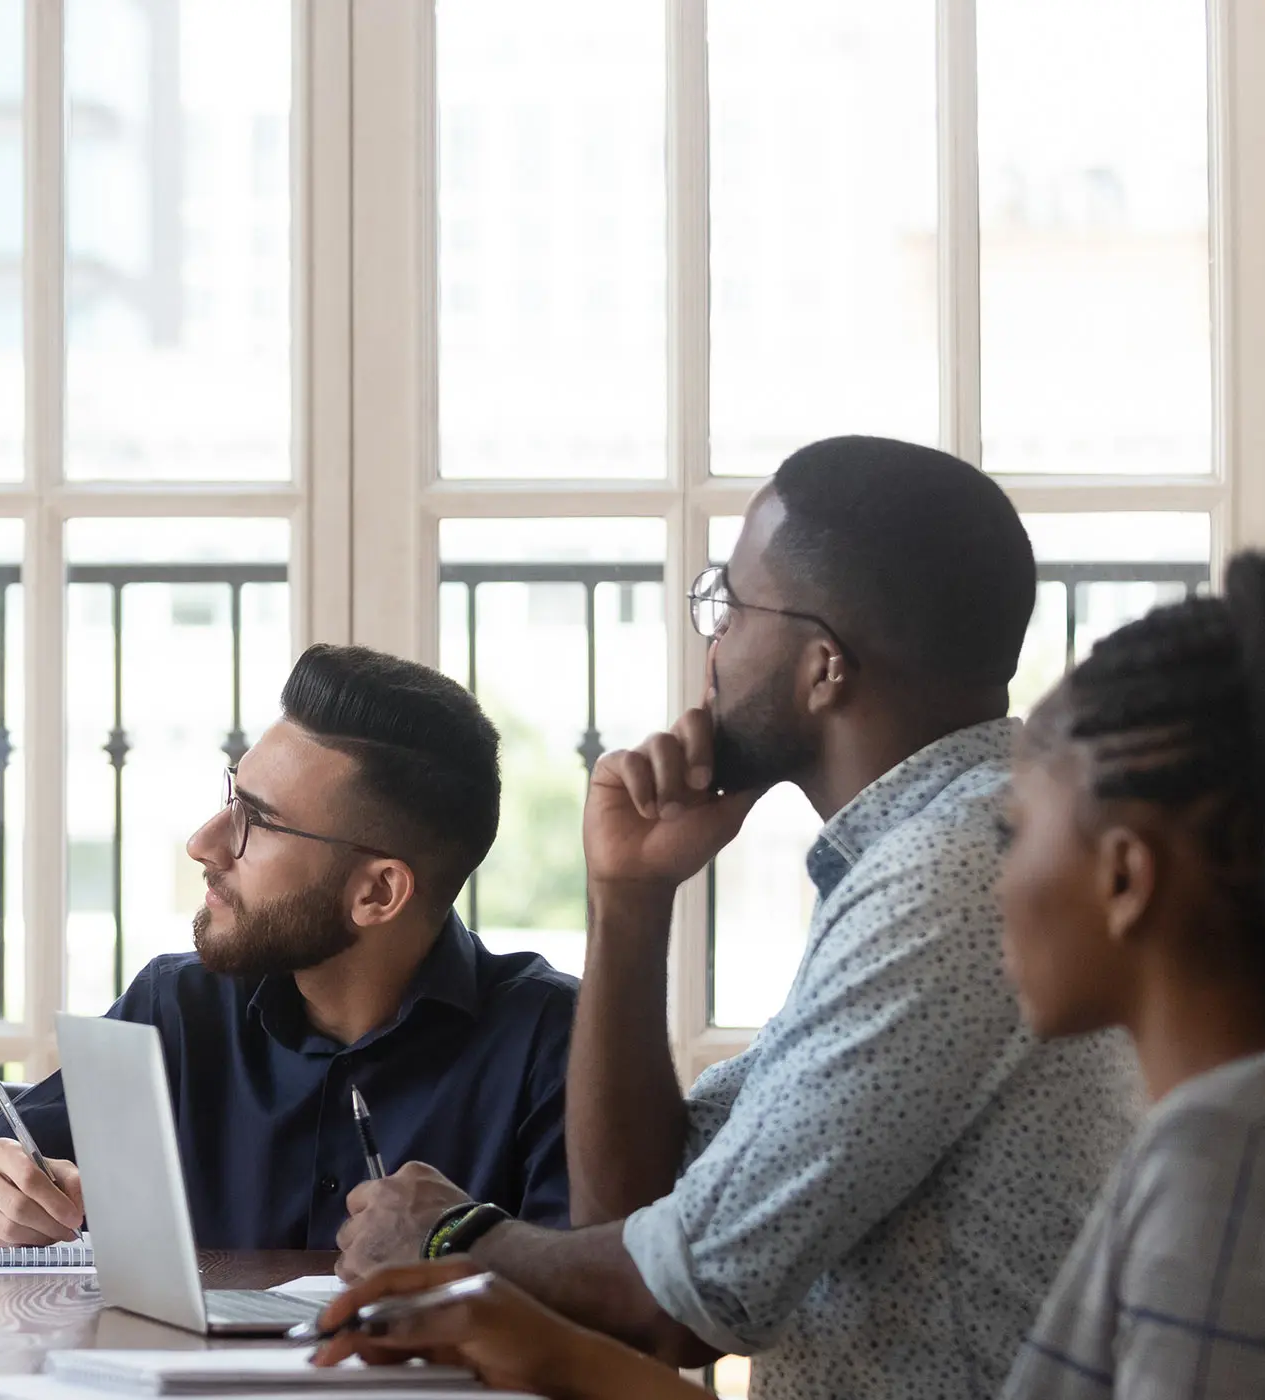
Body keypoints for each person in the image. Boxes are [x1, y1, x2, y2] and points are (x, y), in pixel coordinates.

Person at [308, 518, 1265, 1400]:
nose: (995, 874)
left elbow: (682, 1291)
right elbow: (663, 1214)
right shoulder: (1240, 1131)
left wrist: (472, 1251)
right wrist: (629, 892)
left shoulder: (1228, 1152)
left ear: (1125, 877)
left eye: (1021, 834)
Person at [333, 436, 1139, 1398]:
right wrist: (629, 899)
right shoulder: (946, 847)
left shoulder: (947, 880)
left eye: (727, 606)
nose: (710, 649)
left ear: (823, 667)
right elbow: (640, 1213)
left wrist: (454, 1238)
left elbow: (685, 1303)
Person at [0, 644, 578, 1250]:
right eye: (231, 797)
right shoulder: (176, 1009)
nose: (204, 843)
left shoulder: (551, 1046)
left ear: (378, 893)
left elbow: (606, 1313)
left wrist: (463, 1247)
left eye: (258, 822)